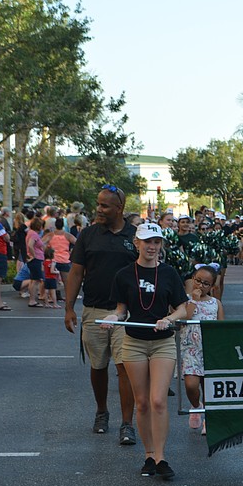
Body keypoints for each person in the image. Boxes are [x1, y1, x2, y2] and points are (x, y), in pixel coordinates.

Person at [102, 222, 189, 480]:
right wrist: (113, 317)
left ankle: (162, 457)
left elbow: (183, 308)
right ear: (137, 243)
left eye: (156, 242)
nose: (152, 247)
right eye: (147, 241)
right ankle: (149, 455)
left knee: (159, 400)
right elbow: (121, 310)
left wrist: (170, 319)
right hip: (134, 342)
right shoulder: (125, 275)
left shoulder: (170, 273)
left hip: (162, 341)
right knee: (141, 403)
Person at [64, 185, 138, 444]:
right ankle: (101, 411)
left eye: (105, 205)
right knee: (98, 366)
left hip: (124, 314)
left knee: (125, 368)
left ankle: (127, 423)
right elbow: (76, 272)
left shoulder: (135, 235)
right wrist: (69, 307)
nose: (99, 209)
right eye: (98, 204)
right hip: (93, 311)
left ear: (119, 209)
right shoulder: (88, 235)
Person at [180, 264, 224, 435]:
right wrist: (194, 300)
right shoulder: (185, 300)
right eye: (198, 281)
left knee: (209, 386)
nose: (200, 286)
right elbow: (185, 317)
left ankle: (208, 419)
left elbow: (221, 327)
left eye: (206, 283)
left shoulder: (216, 303)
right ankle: (196, 405)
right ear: (192, 280)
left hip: (209, 349)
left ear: (212, 286)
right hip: (190, 350)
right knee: (191, 385)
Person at [43, 218, 76, 301]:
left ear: (55, 225)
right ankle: (69, 297)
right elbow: (77, 242)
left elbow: (41, 242)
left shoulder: (50, 235)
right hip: (65, 259)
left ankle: (52, 297)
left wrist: (47, 250)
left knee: (54, 280)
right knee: (66, 281)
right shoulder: (67, 235)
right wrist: (72, 251)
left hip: (54, 259)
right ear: (63, 225)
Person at [25, 217, 46, 308]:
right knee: (36, 280)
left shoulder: (30, 233)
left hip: (34, 259)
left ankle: (32, 299)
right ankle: (32, 300)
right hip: (36, 259)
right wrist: (34, 256)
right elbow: (30, 245)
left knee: (33, 280)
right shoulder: (33, 234)